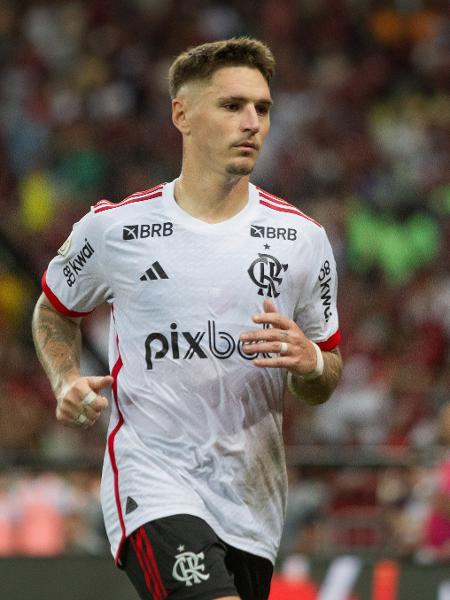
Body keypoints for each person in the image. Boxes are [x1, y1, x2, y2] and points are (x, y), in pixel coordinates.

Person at [32, 37, 343, 600]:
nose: (252, 122)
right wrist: (64, 378)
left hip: (252, 501)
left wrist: (313, 362)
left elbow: (323, 380)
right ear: (183, 114)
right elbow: (54, 311)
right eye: (232, 106)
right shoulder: (114, 229)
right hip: (154, 480)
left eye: (263, 108)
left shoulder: (304, 240)